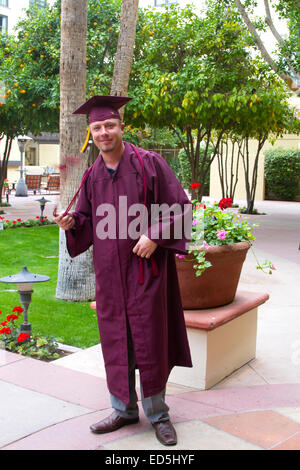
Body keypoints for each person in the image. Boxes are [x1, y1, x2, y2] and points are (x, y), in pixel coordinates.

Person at [54, 95, 192, 446]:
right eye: (97, 128)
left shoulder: (149, 164)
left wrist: (156, 236)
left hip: (148, 273)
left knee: (150, 339)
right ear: (91, 133)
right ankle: (123, 410)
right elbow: (84, 222)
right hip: (111, 277)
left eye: (109, 126)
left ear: (121, 127)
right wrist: (71, 223)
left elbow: (182, 209)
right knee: (117, 341)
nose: (104, 132)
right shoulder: (92, 176)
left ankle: (159, 414)